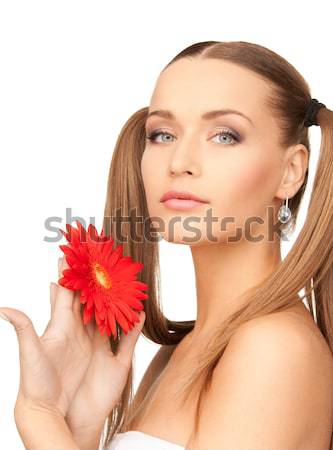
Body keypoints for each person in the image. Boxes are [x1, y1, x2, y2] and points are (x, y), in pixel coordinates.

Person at [1, 40, 333, 450]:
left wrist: (40, 416)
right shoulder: (176, 354)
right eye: (162, 134)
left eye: (225, 136)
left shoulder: (274, 349)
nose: (179, 161)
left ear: (291, 171)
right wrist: (81, 426)